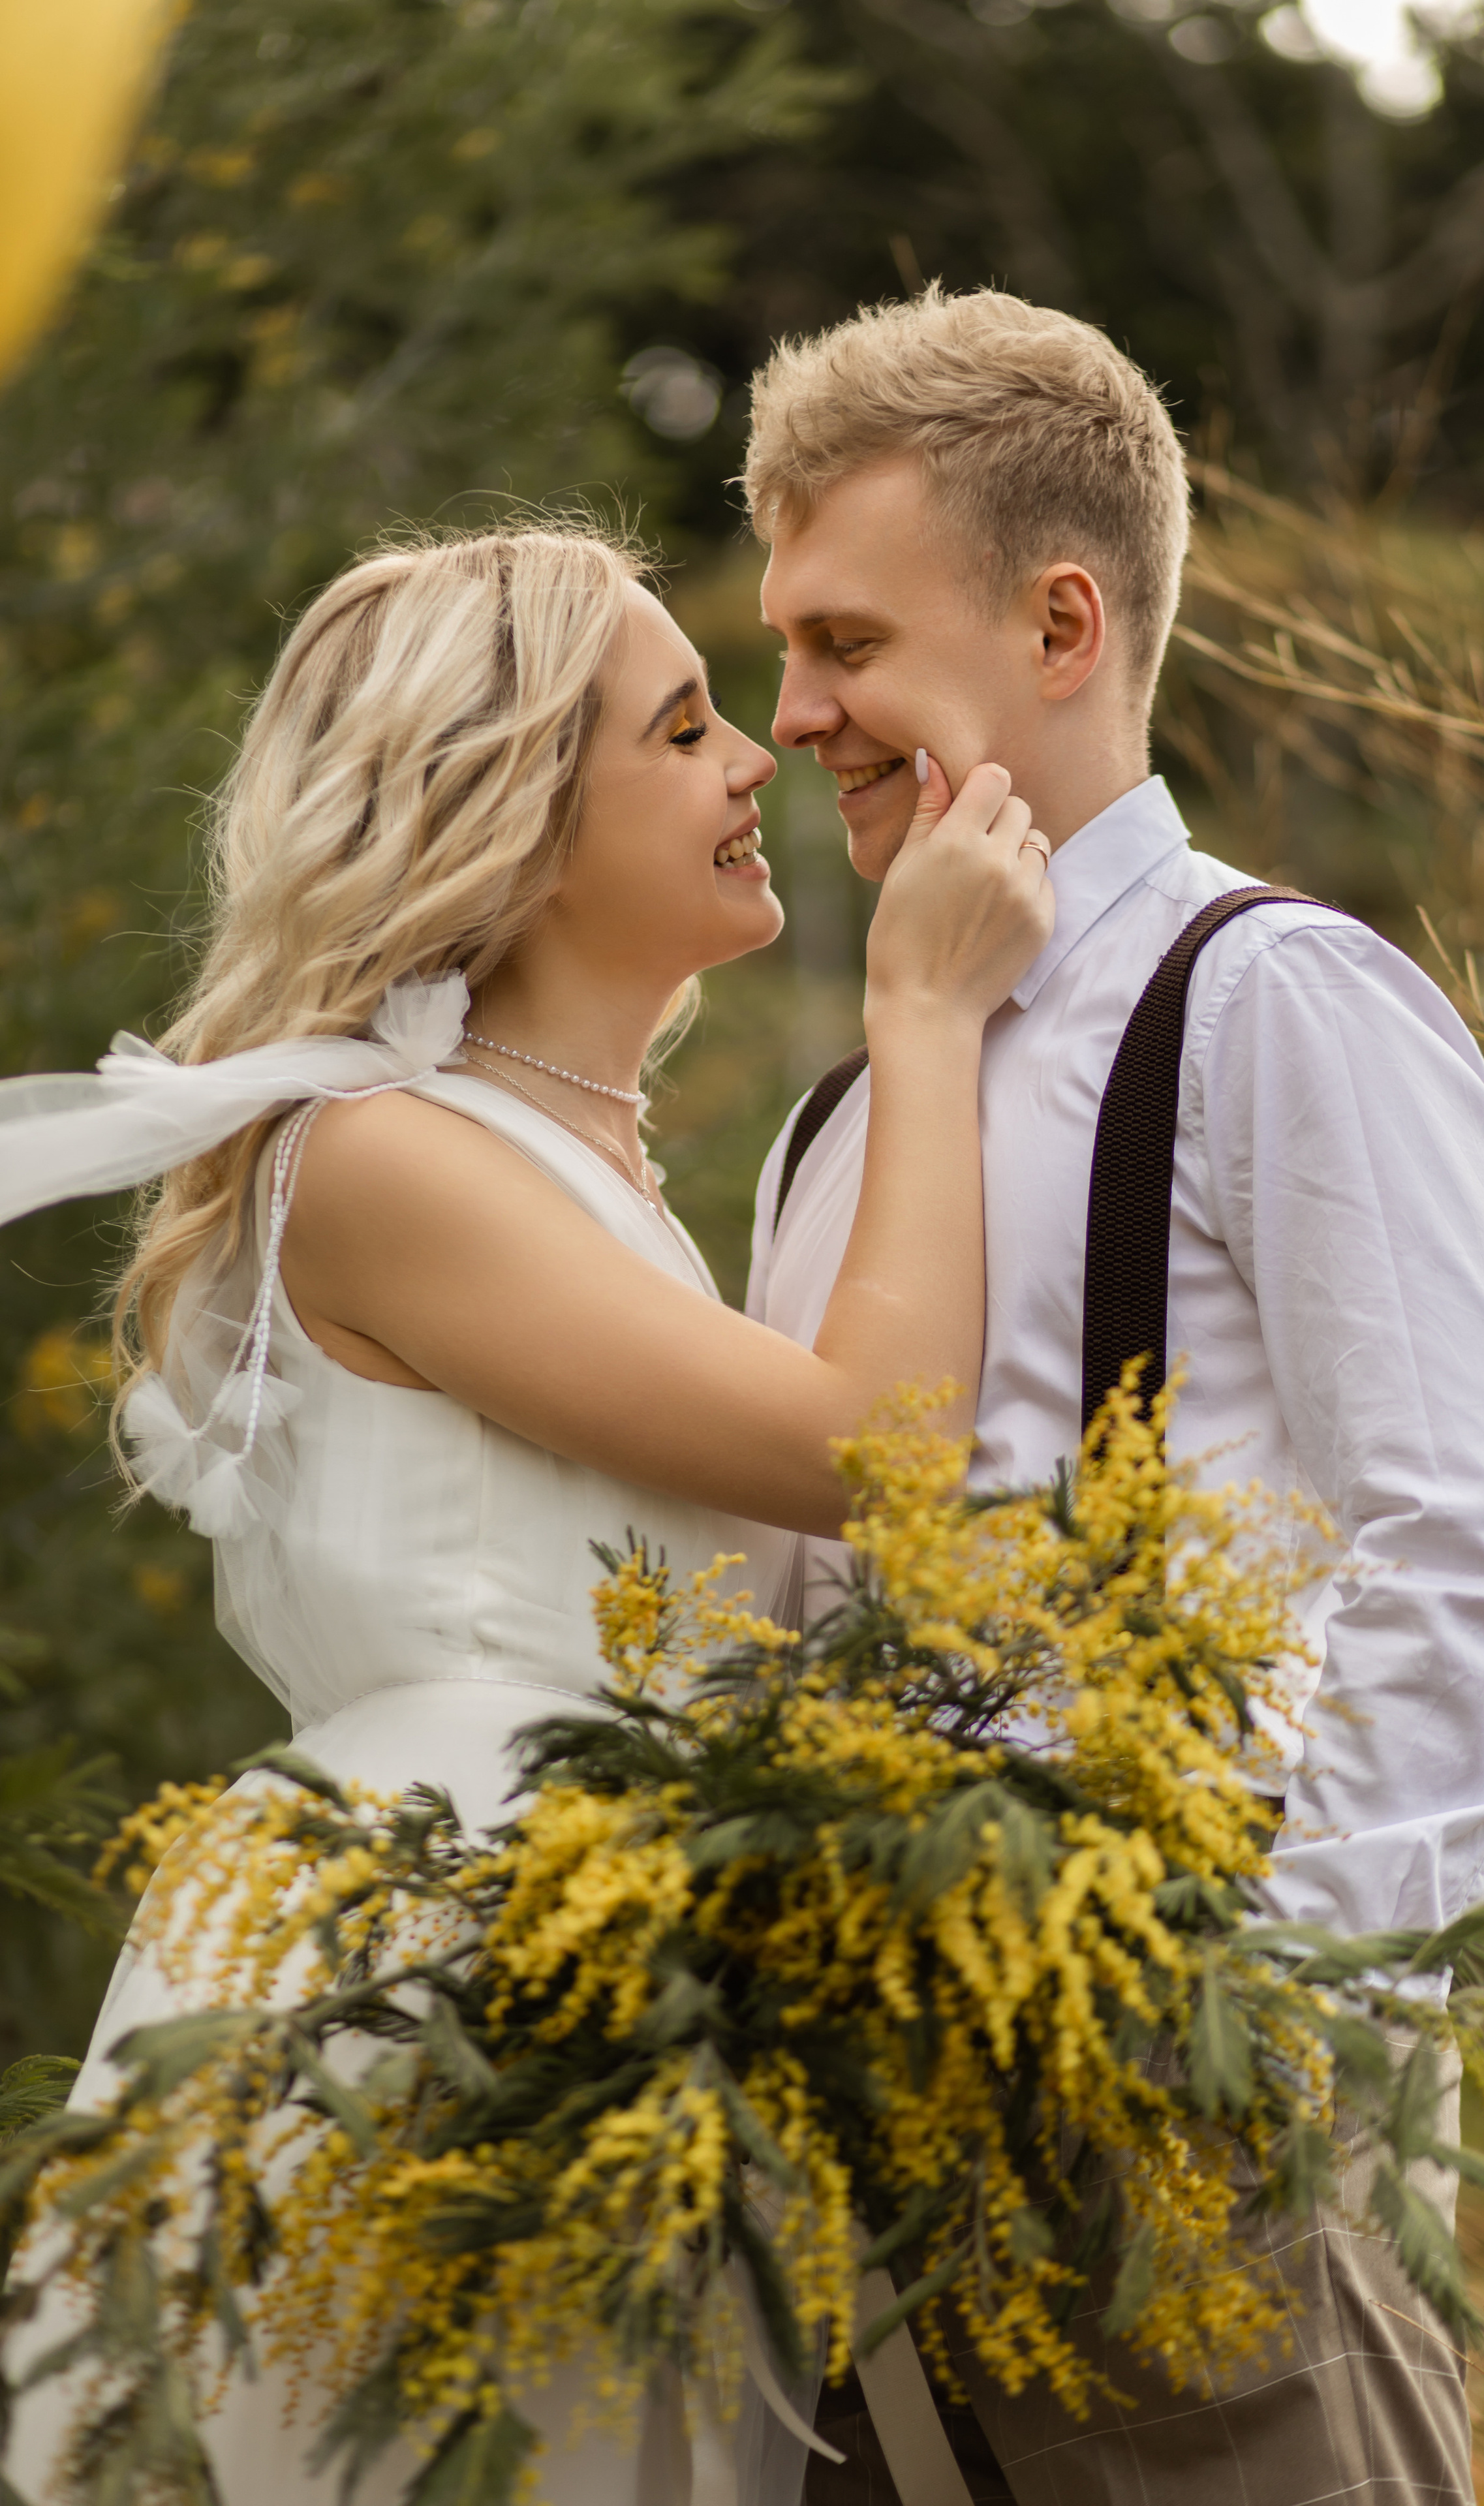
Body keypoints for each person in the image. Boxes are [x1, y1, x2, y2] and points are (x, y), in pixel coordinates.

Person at [0, 521, 1053, 2506]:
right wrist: (924, 1016)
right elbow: (871, 1446)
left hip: (585, 1957)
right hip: (435, 1972)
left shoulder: (564, 1171)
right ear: (514, 821)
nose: (755, 759)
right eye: (683, 728)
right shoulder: (387, 1155)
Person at [743, 286, 1484, 2506]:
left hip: (1207, 2207)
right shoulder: (835, 1130)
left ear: (1060, 618)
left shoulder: (1282, 996)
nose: (791, 710)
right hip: (859, 2245)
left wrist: (1245, 2033)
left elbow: (1472, 1558)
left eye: (845, 645)